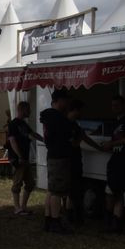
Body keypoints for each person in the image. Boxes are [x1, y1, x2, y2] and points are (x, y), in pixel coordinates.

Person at [102, 95, 125, 233]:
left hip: (124, 162)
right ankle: (110, 222)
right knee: (112, 191)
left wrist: (112, 143)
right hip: (114, 161)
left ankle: (115, 223)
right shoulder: (115, 122)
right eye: (113, 105)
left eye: (117, 105)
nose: (114, 108)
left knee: (116, 192)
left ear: (124, 106)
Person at [39, 89, 73, 234]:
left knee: (51, 190)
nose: (67, 103)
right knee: (57, 192)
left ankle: (48, 219)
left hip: (52, 154)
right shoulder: (59, 118)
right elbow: (67, 135)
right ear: (59, 101)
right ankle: (55, 221)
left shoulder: (47, 116)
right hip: (59, 156)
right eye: (65, 100)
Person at [65, 99, 100, 225]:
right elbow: (75, 143)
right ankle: (75, 216)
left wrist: (100, 148)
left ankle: (70, 214)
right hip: (70, 161)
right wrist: (80, 138)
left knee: (73, 190)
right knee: (75, 190)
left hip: (75, 161)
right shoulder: (67, 125)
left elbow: (86, 138)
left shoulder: (75, 125)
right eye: (81, 111)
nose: (82, 114)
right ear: (75, 110)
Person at [6, 101, 43, 215]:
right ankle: (17, 208)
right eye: (28, 109)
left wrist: (45, 140)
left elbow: (33, 134)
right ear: (22, 109)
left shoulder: (23, 124)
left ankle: (23, 207)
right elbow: (12, 141)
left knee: (30, 183)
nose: (30, 112)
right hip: (18, 158)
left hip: (25, 158)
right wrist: (19, 156)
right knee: (17, 183)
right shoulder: (13, 124)